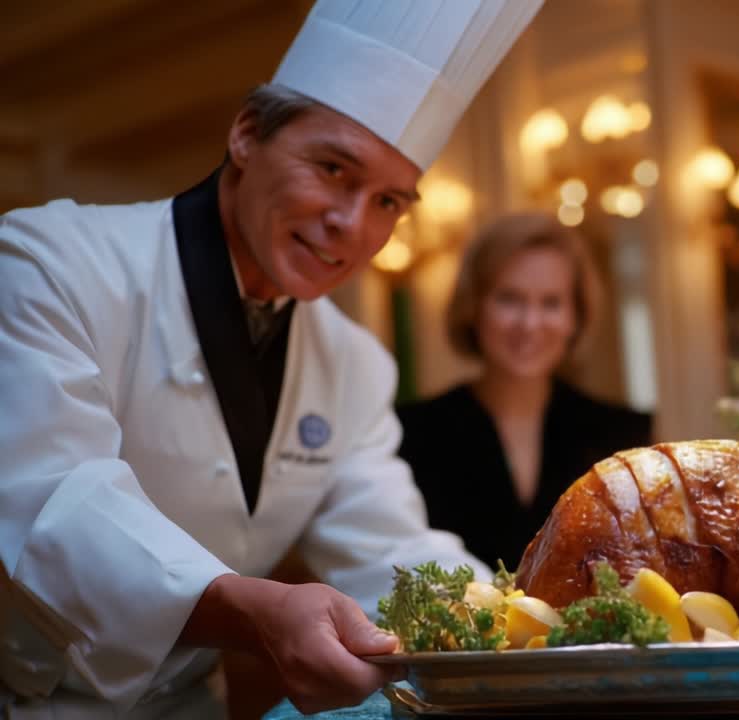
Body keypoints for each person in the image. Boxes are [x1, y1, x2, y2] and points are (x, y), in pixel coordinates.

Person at [0, 1, 542, 717]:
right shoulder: (51, 263)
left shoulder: (353, 364)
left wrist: (532, 625)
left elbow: (391, 549)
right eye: (331, 168)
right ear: (247, 134)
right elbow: (54, 503)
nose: (351, 225)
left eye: (388, 201)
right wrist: (252, 611)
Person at [397, 213, 652, 572]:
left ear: (575, 317)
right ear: (474, 307)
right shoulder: (411, 434)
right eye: (509, 299)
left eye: (551, 303)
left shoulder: (623, 437)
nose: (530, 324)